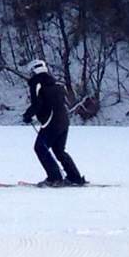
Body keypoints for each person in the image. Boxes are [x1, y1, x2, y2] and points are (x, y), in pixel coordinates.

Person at [22, 58, 86, 186]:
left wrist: (27, 116)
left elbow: (37, 104)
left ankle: (54, 177)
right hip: (64, 122)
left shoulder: (37, 84)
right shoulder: (55, 84)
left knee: (40, 148)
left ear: (34, 71)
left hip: (51, 123)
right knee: (59, 150)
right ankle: (75, 177)